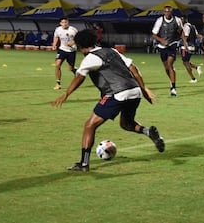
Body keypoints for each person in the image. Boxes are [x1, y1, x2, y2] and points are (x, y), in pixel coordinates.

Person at [52, 29, 165, 172]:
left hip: (116, 93)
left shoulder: (90, 58)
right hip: (134, 91)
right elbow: (133, 68)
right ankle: (148, 131)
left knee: (89, 125)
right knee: (126, 123)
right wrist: (144, 90)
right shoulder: (112, 51)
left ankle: (84, 164)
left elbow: (79, 77)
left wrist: (66, 94)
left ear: (80, 46)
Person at [152, 5, 184, 97]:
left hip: (172, 45)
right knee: (166, 67)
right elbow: (154, 35)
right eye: (166, 11)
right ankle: (171, 80)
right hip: (162, 47)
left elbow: (181, 31)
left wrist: (181, 40)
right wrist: (161, 40)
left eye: (169, 11)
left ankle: (173, 88)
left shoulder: (177, 20)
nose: (167, 13)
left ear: (171, 12)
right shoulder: (159, 20)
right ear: (164, 12)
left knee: (170, 64)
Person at [52, 17, 78, 90]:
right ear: (60, 23)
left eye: (65, 22)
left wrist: (72, 43)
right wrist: (54, 44)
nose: (64, 24)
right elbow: (56, 37)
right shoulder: (58, 29)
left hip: (71, 51)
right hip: (62, 49)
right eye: (63, 22)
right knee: (57, 65)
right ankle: (58, 83)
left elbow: (78, 39)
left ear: (68, 23)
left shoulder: (73, 30)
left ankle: (76, 71)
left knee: (71, 68)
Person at [180, 15, 203, 83]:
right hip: (192, 46)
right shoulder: (192, 26)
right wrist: (203, 37)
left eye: (182, 19)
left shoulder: (186, 27)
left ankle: (193, 79)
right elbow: (197, 35)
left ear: (185, 20)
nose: (181, 21)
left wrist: (186, 47)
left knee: (185, 62)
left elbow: (185, 38)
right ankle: (197, 67)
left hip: (186, 47)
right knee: (185, 62)